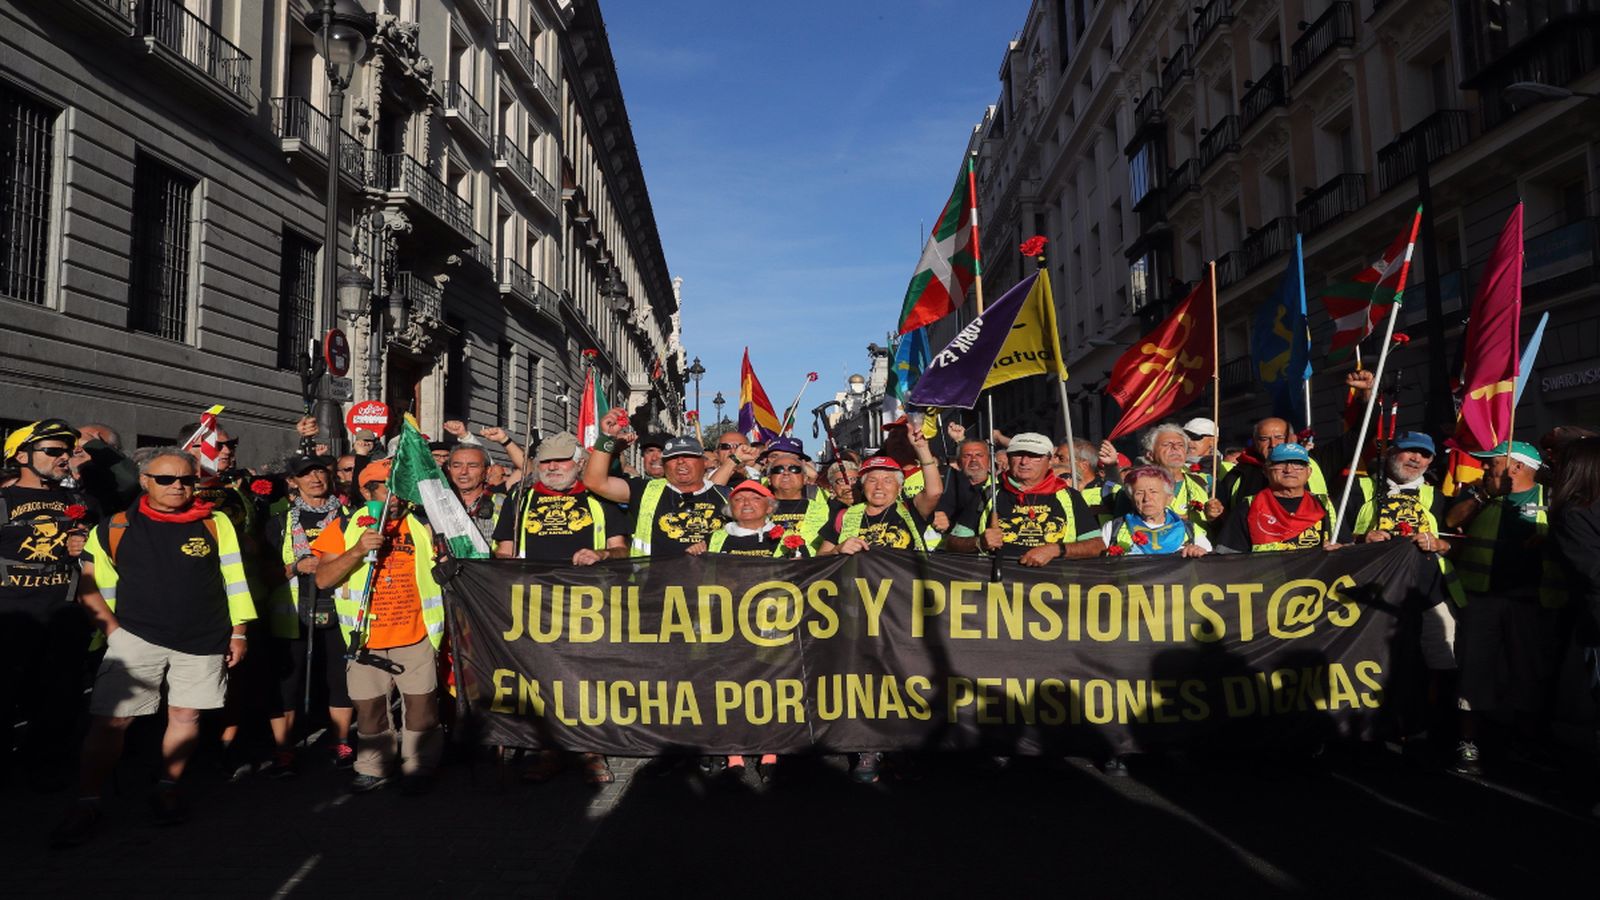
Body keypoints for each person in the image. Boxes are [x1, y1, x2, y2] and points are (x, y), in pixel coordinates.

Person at [52, 451, 255, 845]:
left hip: (204, 637)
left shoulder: (217, 522)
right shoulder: (114, 526)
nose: (178, 486)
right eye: (166, 479)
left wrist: (240, 632)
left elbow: (234, 578)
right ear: (144, 480)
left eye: (186, 480)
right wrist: (113, 633)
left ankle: (167, 788)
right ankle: (87, 801)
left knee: (186, 717)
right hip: (134, 639)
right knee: (111, 721)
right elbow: (91, 588)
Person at [494, 431, 626, 785]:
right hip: (534, 605)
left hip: (589, 605)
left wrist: (601, 555)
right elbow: (503, 551)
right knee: (541, 679)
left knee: (586, 679)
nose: (552, 467)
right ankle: (548, 750)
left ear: (580, 463)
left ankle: (590, 750)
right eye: (546, 461)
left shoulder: (601, 499)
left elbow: (622, 550)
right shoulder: (519, 499)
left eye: (561, 460)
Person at [311, 459, 446, 795]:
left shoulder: (423, 525)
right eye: (386, 488)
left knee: (422, 710)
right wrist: (358, 549)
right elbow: (324, 578)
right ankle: (374, 767)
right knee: (370, 710)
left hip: (416, 636)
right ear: (366, 490)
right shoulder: (343, 528)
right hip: (364, 640)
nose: (395, 497)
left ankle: (419, 766)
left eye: (400, 489)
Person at [1444, 441, 1568, 775]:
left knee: (1529, 673)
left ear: (1517, 467)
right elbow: (1452, 519)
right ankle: (1469, 743)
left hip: (1531, 603)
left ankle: (1525, 741)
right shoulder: (1480, 495)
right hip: (1482, 600)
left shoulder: (1553, 498)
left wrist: (1549, 540)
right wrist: (1485, 496)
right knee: (1474, 670)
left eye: (1492, 463)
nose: (1485, 468)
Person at [1, 419, 95, 789]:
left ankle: (45, 769)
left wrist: (83, 547)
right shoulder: (4, 500)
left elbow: (124, 486)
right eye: (53, 451)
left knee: (60, 698)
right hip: (11, 618)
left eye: (67, 451)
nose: (63, 458)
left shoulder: (80, 501)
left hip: (65, 616)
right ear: (21, 455)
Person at [261, 455, 353, 776]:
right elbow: (265, 573)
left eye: (320, 471)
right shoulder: (278, 521)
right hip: (291, 613)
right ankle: (284, 749)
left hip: (339, 607)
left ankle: (341, 741)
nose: (315, 478)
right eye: (305, 473)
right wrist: (295, 567)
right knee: (287, 681)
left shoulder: (349, 517)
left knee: (340, 679)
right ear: (292, 481)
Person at [944, 432, 1103, 565]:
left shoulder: (1069, 496)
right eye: (1018, 455)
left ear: (1049, 462)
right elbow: (952, 543)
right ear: (1009, 458)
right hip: (996, 591)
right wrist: (979, 542)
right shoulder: (988, 494)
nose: (1024, 462)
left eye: (1034, 456)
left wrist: (1056, 550)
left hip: (1054, 591)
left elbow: (1097, 546)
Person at [584, 413, 728, 559]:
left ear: (704, 462)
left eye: (688, 456)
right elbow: (595, 482)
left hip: (709, 580)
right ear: (664, 464)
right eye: (672, 457)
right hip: (653, 580)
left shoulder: (728, 496)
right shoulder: (645, 489)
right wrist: (606, 437)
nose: (680, 462)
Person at [817, 426, 943, 557]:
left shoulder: (911, 510)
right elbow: (820, 558)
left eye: (887, 480)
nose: (879, 486)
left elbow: (934, 492)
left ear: (899, 487)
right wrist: (837, 550)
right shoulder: (844, 516)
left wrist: (922, 449)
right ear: (863, 485)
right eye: (872, 480)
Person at [1213, 443, 1337, 553]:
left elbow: (1347, 548)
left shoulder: (1325, 505)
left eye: (1298, 464)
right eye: (1280, 463)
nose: (1289, 469)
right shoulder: (1248, 508)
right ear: (1266, 471)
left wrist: (1338, 549)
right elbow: (1228, 560)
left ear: (1308, 472)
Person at [1100, 466, 1212, 558]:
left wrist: (1199, 553)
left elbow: (1210, 567)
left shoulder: (1190, 530)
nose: (1147, 498)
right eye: (1139, 493)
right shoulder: (1113, 529)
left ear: (1169, 498)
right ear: (1131, 499)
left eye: (1153, 492)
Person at [760, 437, 830, 552]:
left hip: (811, 566)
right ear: (769, 477)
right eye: (778, 469)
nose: (786, 473)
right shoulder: (755, 493)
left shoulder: (820, 494)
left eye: (794, 469)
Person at [70, 423, 139, 514]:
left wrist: (91, 444)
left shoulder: (113, 486)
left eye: (83, 447)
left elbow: (129, 480)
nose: (76, 449)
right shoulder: (57, 478)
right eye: (72, 445)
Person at [446, 445, 503, 547]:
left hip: (489, 562)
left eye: (472, 466)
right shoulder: (440, 502)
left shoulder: (502, 503)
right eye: (457, 466)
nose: (463, 472)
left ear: (487, 471)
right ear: (449, 469)